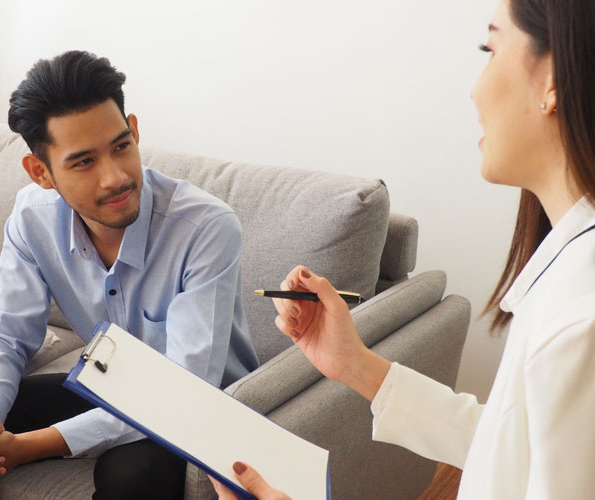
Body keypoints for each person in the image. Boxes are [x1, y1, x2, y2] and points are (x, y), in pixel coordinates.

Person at [212, 0, 595, 498]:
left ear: (552, 82)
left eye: (490, 48)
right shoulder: (570, 278)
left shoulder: (578, 321)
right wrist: (353, 363)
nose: (474, 89)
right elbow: (508, 444)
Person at [0, 50, 259, 500]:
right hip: (108, 382)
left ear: (134, 131)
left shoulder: (205, 228)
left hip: (203, 407)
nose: (114, 177)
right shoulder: (31, 219)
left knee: (132, 476)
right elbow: (5, 336)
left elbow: (183, 394)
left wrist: (27, 447)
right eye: (83, 162)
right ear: (41, 172)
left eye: (121, 146)